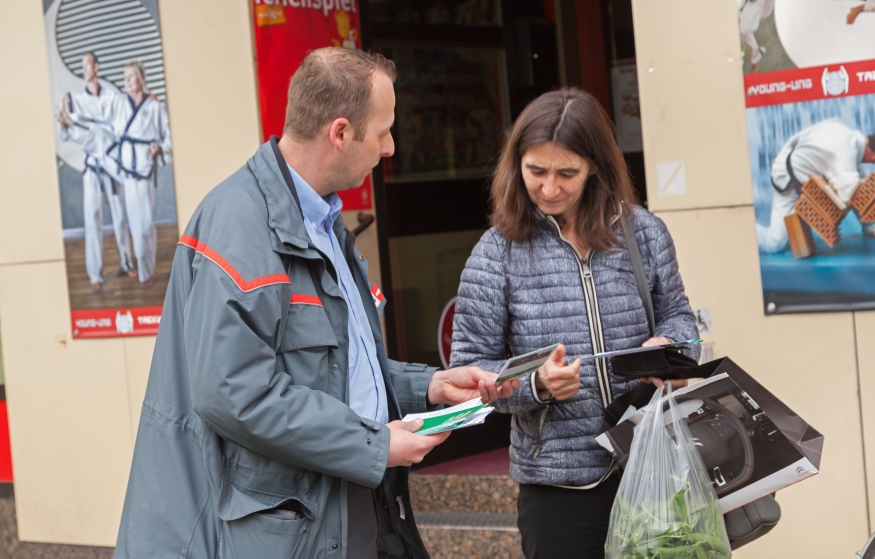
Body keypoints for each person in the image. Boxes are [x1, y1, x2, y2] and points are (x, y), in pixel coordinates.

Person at [113, 47, 520, 559]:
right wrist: (376, 444)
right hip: (286, 526)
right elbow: (233, 392)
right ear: (341, 133)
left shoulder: (321, 221)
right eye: (384, 131)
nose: (391, 148)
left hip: (342, 503)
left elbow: (332, 369)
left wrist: (430, 386)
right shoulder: (239, 224)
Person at [450, 88, 700, 558]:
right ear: (516, 165)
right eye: (536, 171)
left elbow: (683, 320)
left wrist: (670, 348)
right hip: (558, 489)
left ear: (596, 169)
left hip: (654, 465)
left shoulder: (642, 232)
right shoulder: (496, 252)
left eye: (567, 173)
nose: (549, 188)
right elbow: (468, 370)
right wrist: (536, 385)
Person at [58, 61, 170, 289]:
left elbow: (167, 137)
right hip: (120, 162)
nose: (127, 81)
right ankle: (68, 127)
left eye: (131, 77)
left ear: (142, 79)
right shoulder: (119, 103)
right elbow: (98, 109)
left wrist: (159, 148)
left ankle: (144, 271)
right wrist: (72, 99)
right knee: (97, 136)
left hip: (141, 168)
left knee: (142, 225)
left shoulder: (154, 106)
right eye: (125, 77)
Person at [59, 51, 136, 292]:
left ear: (97, 67)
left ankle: (127, 261)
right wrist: (65, 122)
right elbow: (69, 133)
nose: (84, 69)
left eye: (87, 64)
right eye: (82, 65)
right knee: (92, 219)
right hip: (92, 168)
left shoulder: (110, 98)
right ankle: (95, 274)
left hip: (111, 164)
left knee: (120, 217)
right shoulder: (77, 103)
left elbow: (118, 124)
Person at [757, 117, 875, 253]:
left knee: (859, 181)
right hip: (788, 183)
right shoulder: (846, 155)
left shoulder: (841, 128)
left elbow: (802, 136)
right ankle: (742, 227)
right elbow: (854, 193)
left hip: (806, 177)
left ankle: (870, 227)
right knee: (775, 244)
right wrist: (782, 157)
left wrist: (783, 152)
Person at [739, 0, 804, 73]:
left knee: (744, 29)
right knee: (742, 29)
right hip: (752, 0)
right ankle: (756, 53)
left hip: (761, 1)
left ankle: (756, 54)